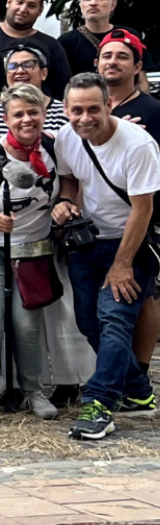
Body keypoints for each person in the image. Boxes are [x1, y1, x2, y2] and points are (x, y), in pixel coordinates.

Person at [55, 74, 160, 441]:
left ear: (109, 106)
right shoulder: (67, 139)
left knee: (114, 319)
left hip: (130, 242)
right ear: (66, 111)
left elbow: (142, 210)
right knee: (89, 322)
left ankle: (100, 404)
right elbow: (69, 179)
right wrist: (65, 202)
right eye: (76, 110)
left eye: (93, 109)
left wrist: (122, 263)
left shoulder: (138, 145)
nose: (85, 118)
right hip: (88, 241)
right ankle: (138, 391)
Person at [0, 84, 63, 422]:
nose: (26, 119)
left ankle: (32, 390)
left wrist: (66, 203)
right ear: (6, 119)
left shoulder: (53, 150)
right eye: (18, 113)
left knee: (27, 324)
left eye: (33, 112)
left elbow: (72, 179)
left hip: (34, 250)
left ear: (43, 114)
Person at [0, 0, 69, 97]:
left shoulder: (51, 46)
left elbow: (63, 91)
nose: (23, 9)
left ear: (40, 11)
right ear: (9, 2)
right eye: (19, 2)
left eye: (31, 5)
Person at [0, 46, 67, 151]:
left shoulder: (63, 112)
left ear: (43, 73)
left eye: (28, 65)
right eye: (12, 66)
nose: (20, 71)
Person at [61, 0, 147, 77]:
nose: (93, 3)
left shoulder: (128, 35)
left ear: (113, 4)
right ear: (81, 5)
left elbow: (141, 79)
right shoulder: (66, 42)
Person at [98, 30, 160, 126]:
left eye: (122, 57)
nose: (112, 62)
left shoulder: (154, 111)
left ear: (137, 67)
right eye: (106, 56)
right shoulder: (82, 107)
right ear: (96, 64)